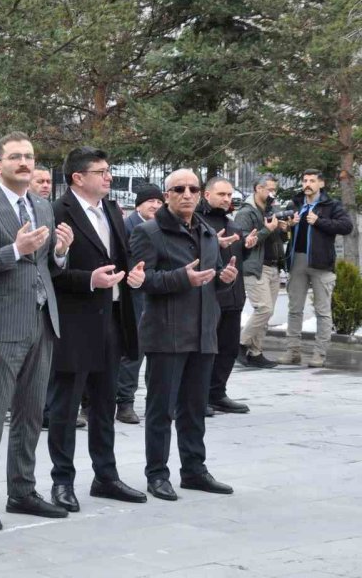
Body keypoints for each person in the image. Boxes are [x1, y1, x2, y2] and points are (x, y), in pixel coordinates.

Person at [0, 131, 74, 531]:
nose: (24, 163)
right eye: (15, 157)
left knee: (30, 414)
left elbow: (46, 265)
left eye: (29, 156)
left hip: (42, 321)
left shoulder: (42, 206)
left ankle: (22, 490)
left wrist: (60, 251)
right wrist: (14, 251)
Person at [46, 147, 147, 513]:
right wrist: (88, 279)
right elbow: (49, 273)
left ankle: (106, 476)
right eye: (101, 171)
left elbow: (119, 261)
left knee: (105, 405)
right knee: (65, 407)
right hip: (73, 325)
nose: (109, 177)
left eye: (109, 170)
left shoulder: (111, 210)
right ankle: (62, 481)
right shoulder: (56, 212)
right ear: (78, 177)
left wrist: (132, 275)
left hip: (111, 321)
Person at [129, 169, 239, 502]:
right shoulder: (148, 233)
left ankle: (194, 470)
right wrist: (181, 278)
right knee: (161, 409)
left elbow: (210, 279)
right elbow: (141, 282)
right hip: (166, 333)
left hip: (204, 332)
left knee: (194, 408)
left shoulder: (206, 230)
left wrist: (225, 278)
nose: (187, 194)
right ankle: (157, 474)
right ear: (166, 195)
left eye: (193, 188)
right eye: (179, 188)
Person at [280, 169, 353, 367]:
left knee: (322, 311)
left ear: (321, 184)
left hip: (321, 263)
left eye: (312, 180)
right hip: (297, 261)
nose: (307, 184)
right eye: (305, 180)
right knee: (294, 309)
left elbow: (347, 226)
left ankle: (319, 354)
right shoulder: (295, 204)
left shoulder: (331, 205)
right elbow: (282, 230)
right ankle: (292, 351)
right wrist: (287, 226)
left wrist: (319, 221)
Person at [196, 178, 253, 414]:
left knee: (228, 349)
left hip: (234, 297)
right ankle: (198, 397)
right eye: (221, 194)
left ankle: (217, 393)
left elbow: (237, 260)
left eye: (229, 195)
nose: (227, 199)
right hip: (210, 297)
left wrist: (247, 247)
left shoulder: (233, 225)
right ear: (207, 195)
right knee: (206, 350)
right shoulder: (198, 222)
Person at [115, 184, 164, 423]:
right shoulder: (128, 226)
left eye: (159, 201)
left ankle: (156, 402)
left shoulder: (160, 227)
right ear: (138, 205)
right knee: (135, 348)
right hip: (132, 294)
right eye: (150, 201)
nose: (155, 205)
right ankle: (124, 402)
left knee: (152, 349)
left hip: (153, 293)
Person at [234, 174, 284, 368]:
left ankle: (255, 353)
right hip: (255, 267)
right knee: (264, 309)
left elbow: (277, 239)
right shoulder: (246, 213)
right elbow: (244, 241)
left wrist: (283, 228)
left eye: (274, 190)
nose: (273, 193)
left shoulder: (270, 209)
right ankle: (240, 343)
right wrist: (267, 229)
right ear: (258, 189)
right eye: (269, 189)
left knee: (267, 314)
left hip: (272, 266)